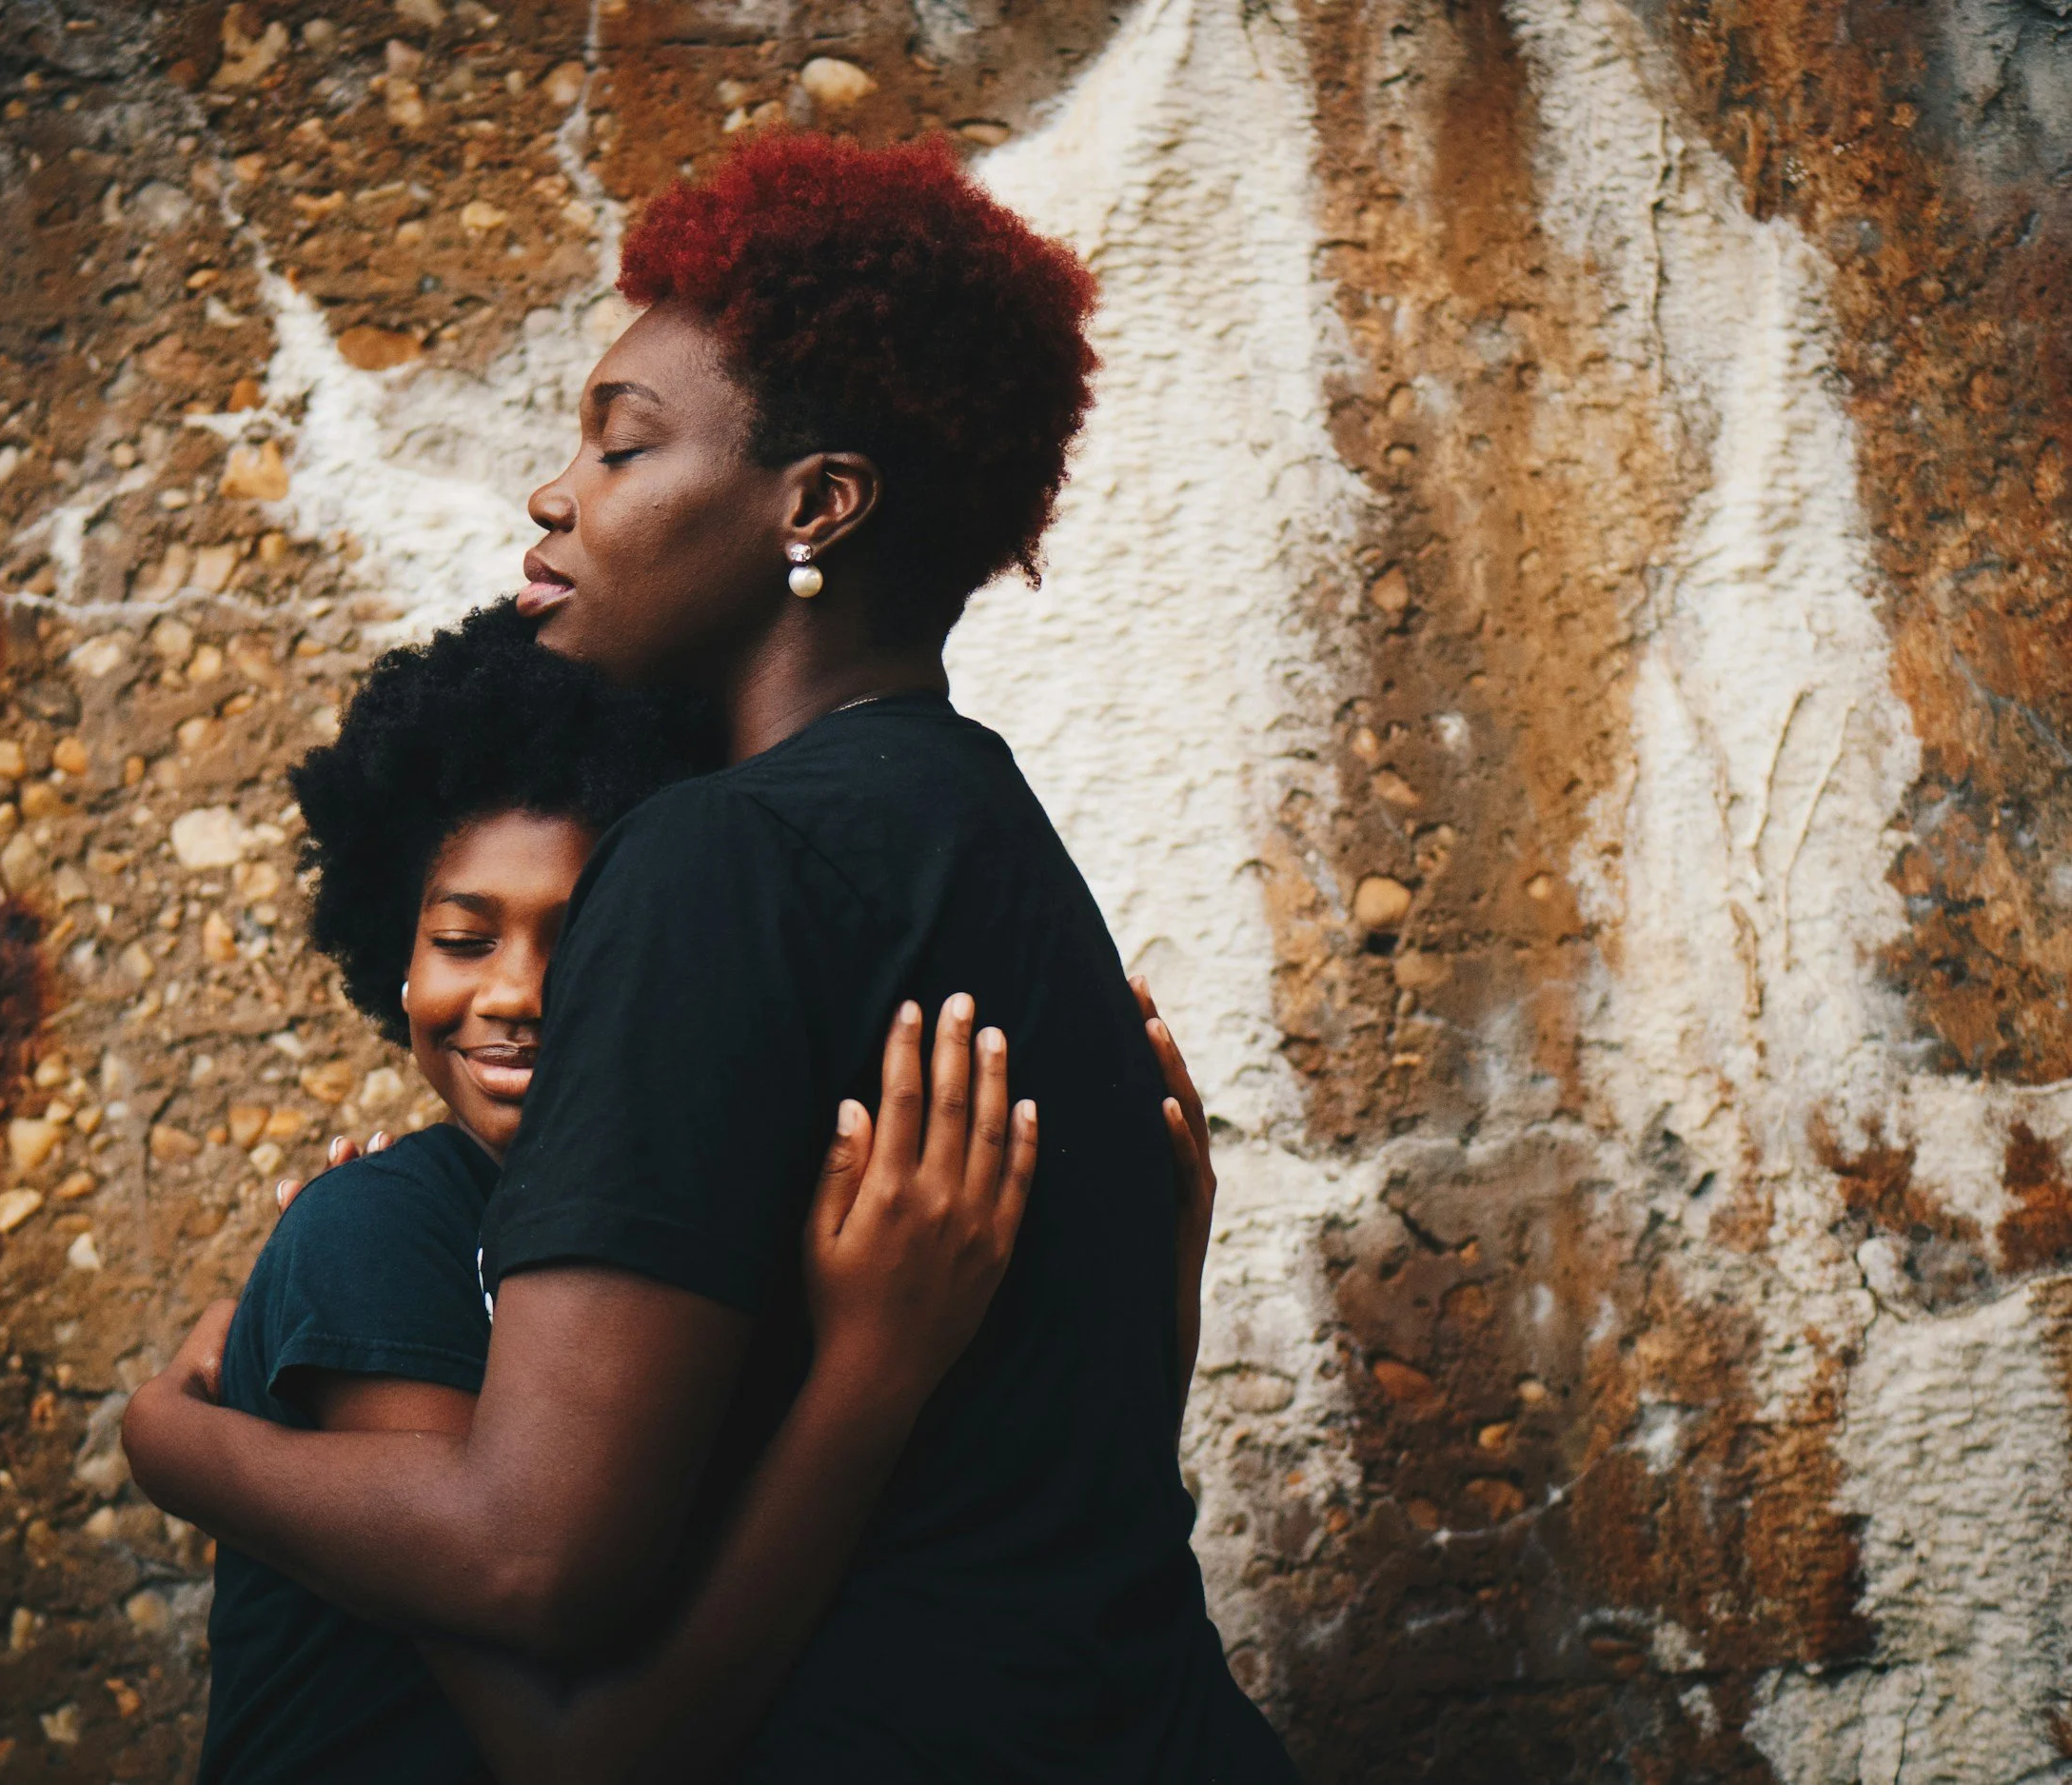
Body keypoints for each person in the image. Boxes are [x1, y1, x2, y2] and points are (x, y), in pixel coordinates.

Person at [126, 130, 1300, 1779]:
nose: (557, 494)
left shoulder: (715, 859)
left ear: (814, 505)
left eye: (620, 446)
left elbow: (537, 1557)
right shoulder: (995, 839)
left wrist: (176, 1438)